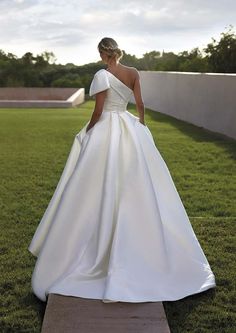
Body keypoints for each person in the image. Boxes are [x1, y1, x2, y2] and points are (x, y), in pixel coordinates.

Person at [28, 37, 216, 303]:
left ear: (103, 54)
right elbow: (140, 105)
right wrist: (140, 126)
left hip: (106, 128)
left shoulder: (102, 75)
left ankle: (90, 241)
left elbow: (99, 110)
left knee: (94, 183)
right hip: (129, 128)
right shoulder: (134, 73)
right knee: (134, 183)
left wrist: (88, 131)